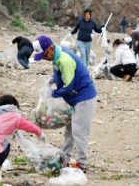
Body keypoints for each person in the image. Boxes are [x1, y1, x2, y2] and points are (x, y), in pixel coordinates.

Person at [32, 35, 97, 173]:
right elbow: (60, 74)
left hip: (84, 98)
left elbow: (68, 86)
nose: (44, 58)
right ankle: (65, 157)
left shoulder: (64, 60)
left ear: (50, 48)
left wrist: (52, 94)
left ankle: (81, 164)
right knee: (70, 130)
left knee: (80, 132)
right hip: (75, 99)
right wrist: (52, 80)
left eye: (44, 55)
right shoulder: (56, 55)